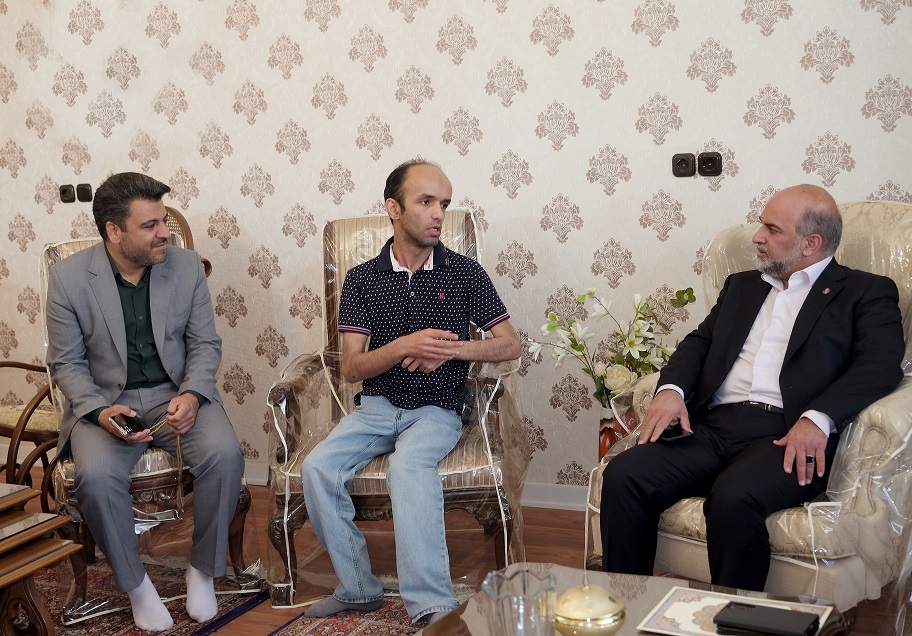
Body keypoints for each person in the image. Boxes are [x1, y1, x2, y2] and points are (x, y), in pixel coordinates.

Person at [600, 184, 905, 591]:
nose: (757, 237)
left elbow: (879, 366)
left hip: (786, 434)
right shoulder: (742, 286)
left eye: (772, 229)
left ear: (811, 243)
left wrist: (818, 418)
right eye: (762, 225)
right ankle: (628, 602)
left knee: (733, 496)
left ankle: (734, 615)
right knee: (625, 475)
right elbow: (699, 343)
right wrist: (671, 390)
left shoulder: (865, 291)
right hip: (711, 427)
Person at [300, 159, 522, 624]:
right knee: (318, 468)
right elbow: (351, 368)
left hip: (436, 410)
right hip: (375, 409)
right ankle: (358, 588)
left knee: (408, 468)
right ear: (394, 208)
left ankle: (433, 607)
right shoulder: (362, 279)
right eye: (426, 202)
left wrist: (451, 350)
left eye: (444, 203)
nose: (439, 213)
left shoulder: (465, 273)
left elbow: (510, 345)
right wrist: (404, 345)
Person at [45, 172, 245, 632]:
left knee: (225, 454)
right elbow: (67, 363)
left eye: (164, 221)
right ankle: (137, 586)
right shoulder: (69, 279)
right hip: (104, 403)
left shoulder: (186, 266)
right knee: (95, 477)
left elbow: (205, 344)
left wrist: (193, 394)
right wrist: (98, 412)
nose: (164, 233)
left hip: (175, 394)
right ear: (114, 231)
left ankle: (202, 570)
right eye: (150, 225)